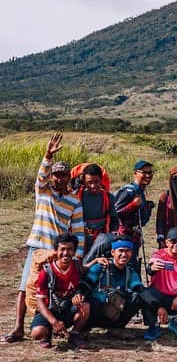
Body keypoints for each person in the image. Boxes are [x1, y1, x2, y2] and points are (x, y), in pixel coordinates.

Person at [3, 133, 85, 344]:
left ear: (69, 177)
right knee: (25, 287)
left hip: (58, 252)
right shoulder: (43, 192)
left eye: (63, 175)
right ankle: (18, 328)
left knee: (55, 289)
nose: (59, 178)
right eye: (56, 175)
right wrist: (48, 155)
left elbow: (78, 232)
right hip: (38, 247)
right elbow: (41, 175)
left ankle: (50, 326)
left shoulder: (73, 201)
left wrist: (79, 256)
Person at [30, 233, 90, 349]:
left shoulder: (76, 267)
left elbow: (80, 285)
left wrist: (78, 295)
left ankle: (74, 335)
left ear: (74, 251)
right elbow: (40, 302)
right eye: (62, 249)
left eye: (70, 249)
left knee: (85, 306)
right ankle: (47, 335)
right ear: (56, 251)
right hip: (50, 310)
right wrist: (54, 322)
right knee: (37, 332)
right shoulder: (46, 272)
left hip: (67, 309)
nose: (66, 253)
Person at [81, 237, 144, 335]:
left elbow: (139, 289)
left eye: (128, 251)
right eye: (121, 251)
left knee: (137, 297)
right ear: (113, 252)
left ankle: (117, 327)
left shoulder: (131, 272)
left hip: (116, 312)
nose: (124, 254)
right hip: (96, 310)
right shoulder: (100, 267)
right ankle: (84, 328)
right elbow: (85, 285)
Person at [114, 160, 155, 261]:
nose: (148, 175)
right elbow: (115, 213)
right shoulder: (129, 191)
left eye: (150, 173)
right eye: (144, 172)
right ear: (135, 173)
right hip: (124, 235)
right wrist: (132, 205)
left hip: (134, 235)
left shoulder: (140, 191)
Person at [75, 163, 117, 254]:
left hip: (99, 240)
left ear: (101, 180)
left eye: (96, 181)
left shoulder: (108, 197)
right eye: (89, 182)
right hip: (79, 238)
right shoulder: (77, 196)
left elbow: (114, 219)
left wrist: (113, 233)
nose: (93, 186)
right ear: (84, 181)